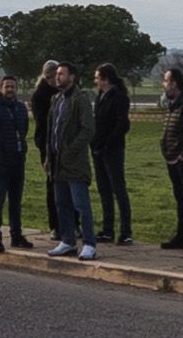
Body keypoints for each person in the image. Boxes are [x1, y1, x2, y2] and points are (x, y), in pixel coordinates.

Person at [43, 62, 98, 260]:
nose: (57, 77)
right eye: (57, 74)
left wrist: (70, 150)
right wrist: (50, 157)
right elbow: (52, 132)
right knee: (62, 203)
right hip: (57, 163)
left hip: (75, 163)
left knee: (81, 205)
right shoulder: (56, 99)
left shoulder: (80, 99)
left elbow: (88, 129)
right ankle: (67, 240)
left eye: (61, 74)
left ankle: (89, 243)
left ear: (72, 77)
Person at [0, 74, 34, 253]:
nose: (10, 89)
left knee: (16, 201)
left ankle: (16, 236)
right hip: (1, 162)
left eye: (13, 86)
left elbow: (24, 128)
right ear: (1, 88)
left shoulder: (20, 108)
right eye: (7, 86)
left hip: (18, 160)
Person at [156, 66, 183, 252]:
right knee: (179, 198)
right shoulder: (172, 103)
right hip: (171, 156)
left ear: (174, 83)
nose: (164, 85)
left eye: (166, 81)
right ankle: (181, 234)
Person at [89, 62, 133, 246]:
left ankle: (126, 231)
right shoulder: (100, 97)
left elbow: (122, 124)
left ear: (106, 79)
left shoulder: (119, 97)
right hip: (98, 149)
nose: (96, 82)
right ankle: (108, 229)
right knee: (104, 189)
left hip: (112, 149)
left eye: (98, 78)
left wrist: (108, 142)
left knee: (118, 189)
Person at [28, 60, 64, 239]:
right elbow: (43, 122)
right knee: (52, 185)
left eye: (54, 76)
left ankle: (73, 223)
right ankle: (55, 225)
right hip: (48, 144)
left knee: (70, 184)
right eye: (48, 76)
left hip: (65, 144)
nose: (52, 79)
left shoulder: (64, 91)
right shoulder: (40, 95)